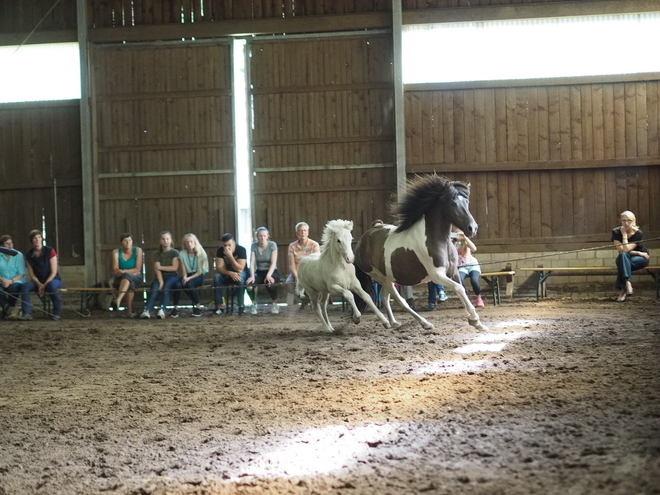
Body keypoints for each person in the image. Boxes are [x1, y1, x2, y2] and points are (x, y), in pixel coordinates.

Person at [20, 230, 63, 320]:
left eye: (39, 237)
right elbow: (31, 273)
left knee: (52, 286)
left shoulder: (50, 251)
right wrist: (39, 284)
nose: (37, 240)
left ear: (42, 239)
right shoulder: (29, 254)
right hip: (38, 281)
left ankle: (57, 313)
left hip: (53, 279)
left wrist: (44, 285)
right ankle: (27, 313)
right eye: (35, 238)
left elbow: (54, 271)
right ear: (31, 240)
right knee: (25, 286)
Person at [141, 231, 181, 319]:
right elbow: (156, 269)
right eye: (163, 239)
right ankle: (147, 311)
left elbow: (174, 268)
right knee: (154, 289)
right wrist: (161, 281)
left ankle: (162, 310)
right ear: (160, 241)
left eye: (167, 239)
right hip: (160, 277)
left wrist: (160, 267)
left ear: (171, 240)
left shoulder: (175, 253)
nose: (165, 241)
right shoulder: (157, 253)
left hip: (172, 276)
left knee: (166, 288)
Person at [611, 210, 650, 302]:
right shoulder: (616, 232)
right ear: (621, 221)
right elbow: (621, 250)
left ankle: (623, 291)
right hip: (629, 257)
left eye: (629, 220)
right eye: (624, 220)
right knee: (623, 257)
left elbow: (626, 249)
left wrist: (624, 235)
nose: (626, 223)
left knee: (623, 261)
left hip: (641, 258)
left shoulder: (638, 233)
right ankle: (628, 284)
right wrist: (638, 252)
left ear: (634, 221)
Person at [246, 227, 281, 315]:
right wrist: (252, 276)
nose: (262, 238)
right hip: (259, 271)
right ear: (257, 237)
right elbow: (252, 262)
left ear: (267, 236)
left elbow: (273, 263)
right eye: (260, 236)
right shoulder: (254, 245)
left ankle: (274, 304)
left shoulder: (272, 245)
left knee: (269, 283)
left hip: (272, 271)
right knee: (249, 286)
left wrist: (268, 275)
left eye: (264, 236)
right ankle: (254, 303)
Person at [286, 222, 320, 307]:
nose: (303, 232)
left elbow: (316, 263)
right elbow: (292, 266)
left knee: (317, 283)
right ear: (297, 233)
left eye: (305, 230)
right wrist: (297, 277)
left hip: (311, 272)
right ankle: (304, 299)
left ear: (308, 232)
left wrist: (307, 276)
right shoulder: (292, 246)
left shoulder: (314, 245)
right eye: (300, 231)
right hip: (297, 272)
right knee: (288, 284)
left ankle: (315, 301)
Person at [214, 233, 249, 316]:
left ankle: (241, 306)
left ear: (234, 243)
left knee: (239, 278)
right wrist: (230, 273)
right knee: (217, 277)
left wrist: (230, 256)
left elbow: (240, 268)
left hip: (241, 272)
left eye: (229, 245)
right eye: (225, 245)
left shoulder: (241, 250)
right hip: (228, 273)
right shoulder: (220, 250)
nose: (227, 248)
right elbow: (219, 268)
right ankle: (219, 306)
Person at [179, 233, 209, 317]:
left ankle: (198, 306)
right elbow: (183, 269)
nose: (189, 244)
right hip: (188, 275)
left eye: (191, 242)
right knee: (179, 283)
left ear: (195, 242)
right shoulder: (182, 254)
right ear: (184, 244)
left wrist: (188, 279)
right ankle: (175, 308)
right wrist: (184, 277)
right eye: (187, 242)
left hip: (198, 276)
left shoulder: (201, 254)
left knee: (189, 284)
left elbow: (199, 272)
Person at [454, 229, 484, 308]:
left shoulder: (466, 242)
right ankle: (466, 298)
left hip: (472, 265)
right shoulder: (452, 244)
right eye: (456, 234)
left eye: (459, 234)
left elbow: (474, 248)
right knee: (459, 280)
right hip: (461, 266)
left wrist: (465, 237)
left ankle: (479, 298)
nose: (458, 236)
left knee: (474, 280)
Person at [0, 235, 26, 319]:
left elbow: (21, 273)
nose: (10, 245)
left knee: (14, 289)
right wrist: (2, 280)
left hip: (16, 280)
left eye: (11, 243)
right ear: (2, 246)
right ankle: (10, 310)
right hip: (2, 280)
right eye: (7, 244)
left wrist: (10, 281)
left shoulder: (18, 255)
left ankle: (7, 310)